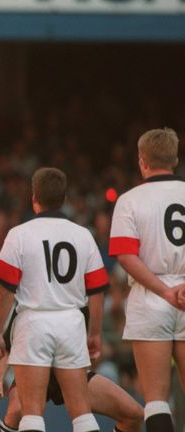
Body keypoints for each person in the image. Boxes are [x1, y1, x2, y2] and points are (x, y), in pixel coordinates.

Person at [0, 167, 109, 432]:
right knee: (81, 412)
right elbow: (97, 291)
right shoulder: (83, 235)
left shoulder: (19, 234)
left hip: (33, 323)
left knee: (32, 413)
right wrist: (95, 333)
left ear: (34, 197)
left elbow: (6, 291)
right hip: (71, 322)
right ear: (64, 198)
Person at [109, 128, 185, 432]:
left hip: (152, 296)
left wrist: (165, 291)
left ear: (142, 161)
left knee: (155, 399)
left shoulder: (129, 200)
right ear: (175, 160)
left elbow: (126, 256)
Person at [0, 314, 143, 432]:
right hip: (33, 370)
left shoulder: (79, 295)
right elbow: (6, 345)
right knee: (16, 412)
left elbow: (93, 347)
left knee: (133, 415)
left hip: (71, 370)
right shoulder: (30, 299)